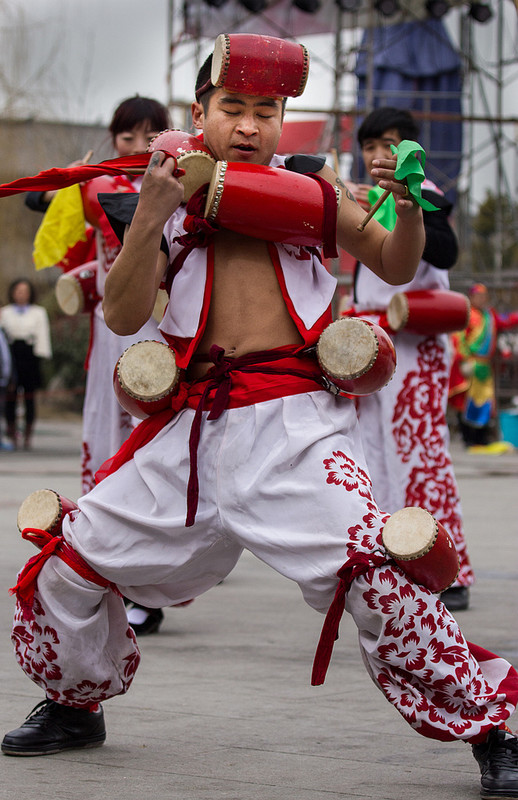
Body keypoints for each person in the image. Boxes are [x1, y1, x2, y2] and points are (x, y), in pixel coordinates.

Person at [2, 36, 518, 800]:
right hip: (187, 433)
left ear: (284, 119)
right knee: (69, 562)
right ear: (201, 111)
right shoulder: (165, 195)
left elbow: (397, 264)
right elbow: (122, 310)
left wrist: (405, 205)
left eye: (267, 111)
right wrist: (149, 211)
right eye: (232, 108)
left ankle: (491, 727)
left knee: (377, 576)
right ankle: (77, 704)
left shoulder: (315, 194)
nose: (249, 126)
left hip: (294, 427)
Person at [25, 96, 173, 636]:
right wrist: (72, 183)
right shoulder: (101, 186)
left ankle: (149, 589)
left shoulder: (181, 189)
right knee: (108, 452)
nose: (137, 147)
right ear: (114, 140)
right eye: (126, 137)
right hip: (111, 340)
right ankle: (104, 573)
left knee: (155, 456)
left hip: (165, 340)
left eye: (148, 136)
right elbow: (39, 202)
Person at [343, 107, 474, 613]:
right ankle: (392, 563)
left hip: (415, 347)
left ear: (409, 150)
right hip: (373, 347)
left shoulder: (425, 198)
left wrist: (410, 201)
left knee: (422, 455)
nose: (378, 155)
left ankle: (448, 568)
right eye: (370, 145)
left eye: (389, 145)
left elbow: (445, 252)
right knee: (372, 457)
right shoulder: (362, 202)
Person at [449, 282, 518, 448]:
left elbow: (506, 321)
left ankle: (482, 437)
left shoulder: (489, 316)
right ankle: (468, 437)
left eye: (483, 296)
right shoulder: (466, 314)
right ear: (471, 297)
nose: (481, 299)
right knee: (465, 402)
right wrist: (464, 360)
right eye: (478, 296)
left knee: (486, 401)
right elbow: (458, 338)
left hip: (485, 366)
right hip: (470, 363)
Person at [0, 278, 52, 450]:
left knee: (29, 397)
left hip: (30, 356)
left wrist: (42, 357)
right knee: (10, 397)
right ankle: (11, 431)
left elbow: (42, 336)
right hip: (11, 353)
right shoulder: (5, 312)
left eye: (24, 291)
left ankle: (28, 434)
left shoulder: (38, 312)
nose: (21, 294)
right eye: (18, 291)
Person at [0, 324, 13, 450]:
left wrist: (8, 377)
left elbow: (7, 358)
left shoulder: (3, 333)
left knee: (1, 411)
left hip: (2, 381)